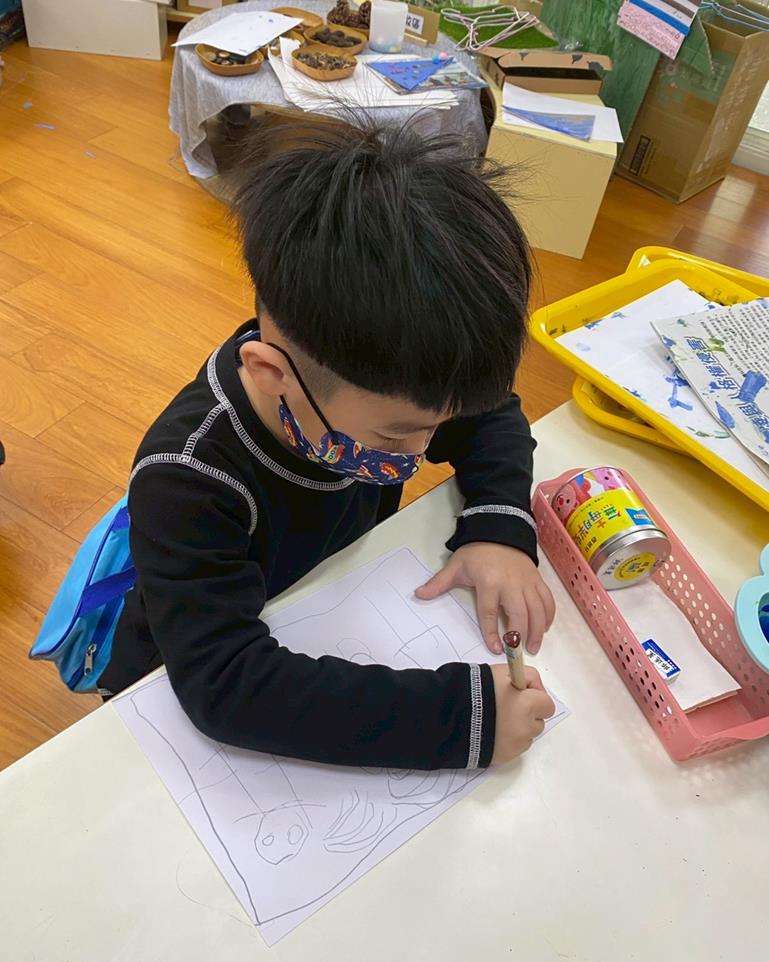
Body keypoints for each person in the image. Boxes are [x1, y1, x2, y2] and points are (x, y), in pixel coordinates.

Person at [98, 119, 556, 770]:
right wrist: (463, 719)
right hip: (169, 672)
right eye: (395, 435)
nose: (423, 446)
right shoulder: (186, 478)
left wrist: (499, 526)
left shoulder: (379, 378)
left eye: (438, 423)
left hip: (326, 598)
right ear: (270, 374)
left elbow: (491, 416)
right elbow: (225, 684)